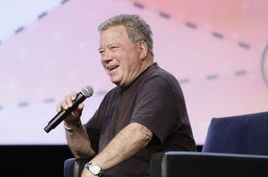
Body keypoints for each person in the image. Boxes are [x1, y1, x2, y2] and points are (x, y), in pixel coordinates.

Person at [57, 14, 196, 177]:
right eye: (102, 51)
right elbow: (85, 151)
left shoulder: (159, 82)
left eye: (113, 48)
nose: (105, 58)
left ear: (141, 49)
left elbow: (140, 132)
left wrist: (94, 167)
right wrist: (72, 124)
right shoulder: (113, 96)